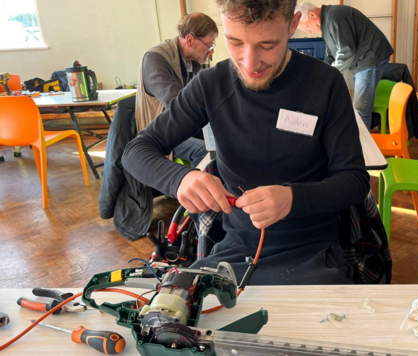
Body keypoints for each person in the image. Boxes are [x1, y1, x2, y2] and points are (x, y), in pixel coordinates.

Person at [123, 0, 371, 285]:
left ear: (293, 25)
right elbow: (136, 151)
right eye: (235, 42)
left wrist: (293, 199)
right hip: (236, 249)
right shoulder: (210, 85)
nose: (250, 64)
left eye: (267, 45)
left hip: (312, 251)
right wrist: (179, 178)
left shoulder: (325, 83)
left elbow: (355, 181)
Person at [136, 12, 219, 167]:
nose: (211, 51)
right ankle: (201, 191)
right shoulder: (155, 58)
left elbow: (203, 95)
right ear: (190, 40)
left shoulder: (191, 62)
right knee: (206, 151)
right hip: (162, 131)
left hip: (183, 126)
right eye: (209, 45)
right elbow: (178, 106)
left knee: (224, 141)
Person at [295, 2, 394, 130]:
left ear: (312, 15)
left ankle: (361, 148)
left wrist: (328, 74)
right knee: (358, 107)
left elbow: (347, 52)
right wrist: (319, 72)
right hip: (362, 60)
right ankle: (357, 143)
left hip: (370, 57)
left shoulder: (334, 18)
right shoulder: (326, 23)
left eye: (307, 27)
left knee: (361, 109)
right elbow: (331, 55)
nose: (309, 32)